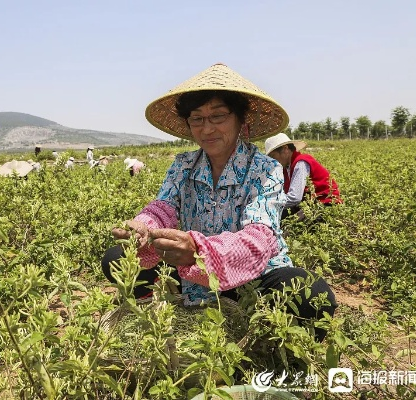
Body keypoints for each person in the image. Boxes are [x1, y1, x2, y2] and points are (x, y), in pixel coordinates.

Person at [101, 63, 336, 341]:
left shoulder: (264, 169)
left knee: (311, 294)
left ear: (241, 120)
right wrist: (142, 228)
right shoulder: (183, 165)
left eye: (218, 116)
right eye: (197, 119)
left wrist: (200, 253)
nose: (207, 128)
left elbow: (260, 238)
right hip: (192, 273)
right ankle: (161, 316)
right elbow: (162, 207)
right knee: (119, 258)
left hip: (252, 276)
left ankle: (270, 350)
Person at [264, 133, 342, 220]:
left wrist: (269, 203)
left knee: (288, 228)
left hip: (326, 204)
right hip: (309, 204)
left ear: (285, 149)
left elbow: (294, 197)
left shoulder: (301, 163)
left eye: (273, 156)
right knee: (275, 218)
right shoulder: (287, 168)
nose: (273, 161)